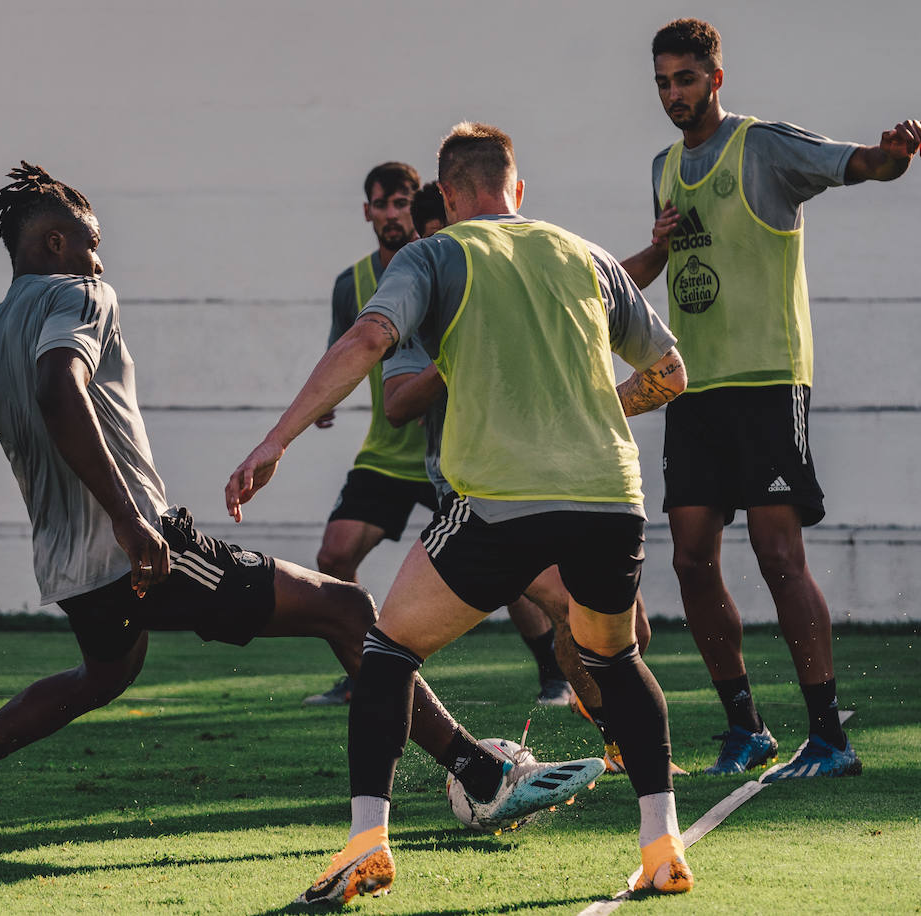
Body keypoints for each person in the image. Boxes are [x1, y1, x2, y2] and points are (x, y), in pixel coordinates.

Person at [0, 163, 596, 832]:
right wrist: (133, 523)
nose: (101, 262)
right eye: (94, 246)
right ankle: (480, 775)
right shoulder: (79, 293)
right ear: (58, 242)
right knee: (347, 609)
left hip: (72, 575)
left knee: (102, 674)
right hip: (140, 549)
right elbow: (57, 385)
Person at [228, 123, 693, 903]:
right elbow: (671, 371)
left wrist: (277, 440)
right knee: (616, 658)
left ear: (444, 197)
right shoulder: (585, 254)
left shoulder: (436, 254)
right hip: (610, 496)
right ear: (519, 188)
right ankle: (663, 848)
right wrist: (592, 416)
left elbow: (370, 337)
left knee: (386, 651)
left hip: (500, 502)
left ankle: (367, 847)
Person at [623, 18, 921, 781]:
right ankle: (746, 729)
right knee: (692, 562)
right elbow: (654, 272)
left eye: (686, 80)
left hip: (766, 380)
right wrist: (656, 247)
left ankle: (829, 737)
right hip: (693, 388)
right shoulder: (664, 167)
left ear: (716, 79)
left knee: (776, 557)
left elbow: (858, 164)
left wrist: (892, 155)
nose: (673, 95)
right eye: (663, 81)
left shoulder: (760, 146)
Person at [386, 182, 576, 709]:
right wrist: (454, 355)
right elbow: (397, 405)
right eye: (432, 242)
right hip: (469, 482)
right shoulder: (416, 295)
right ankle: (624, 745)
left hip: (548, 471)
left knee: (615, 623)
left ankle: (592, 708)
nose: (444, 253)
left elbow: (606, 291)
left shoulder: (518, 268)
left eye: (450, 238)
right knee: (570, 606)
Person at [302, 163, 438, 707]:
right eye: (380, 205)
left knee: (511, 568)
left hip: (449, 451)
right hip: (386, 453)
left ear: (418, 208)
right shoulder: (352, 283)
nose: (390, 214)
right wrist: (322, 400)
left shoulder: (441, 263)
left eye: (400, 203)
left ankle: (553, 674)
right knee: (334, 557)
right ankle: (368, 673)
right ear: (367, 212)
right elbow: (345, 350)